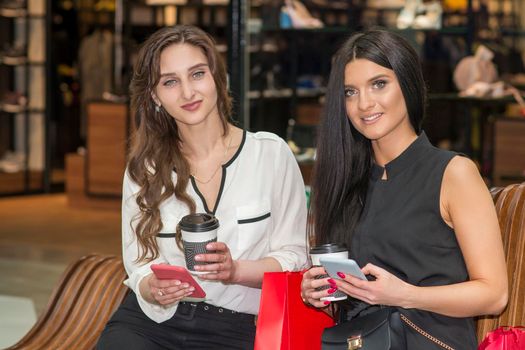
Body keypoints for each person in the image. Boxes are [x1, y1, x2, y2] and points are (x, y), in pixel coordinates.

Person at [97, 25, 307, 350]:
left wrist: (235, 271)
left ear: (217, 78)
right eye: (170, 82)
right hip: (152, 322)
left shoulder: (270, 154)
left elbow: (295, 254)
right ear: (154, 96)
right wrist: (151, 286)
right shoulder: (145, 169)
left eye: (197, 74)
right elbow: (137, 261)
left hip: (237, 326)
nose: (187, 93)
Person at [300, 29, 508, 349]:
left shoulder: (454, 173)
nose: (364, 103)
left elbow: (494, 295)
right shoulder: (343, 181)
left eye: (379, 84)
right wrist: (323, 294)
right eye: (350, 92)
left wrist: (406, 296)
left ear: (408, 84)